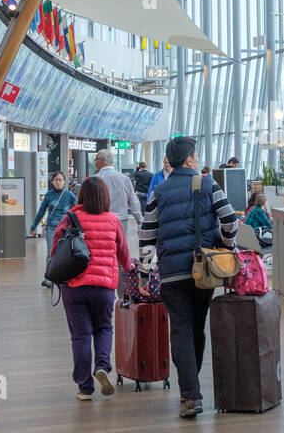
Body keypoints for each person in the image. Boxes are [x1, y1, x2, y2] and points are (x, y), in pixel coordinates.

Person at [137, 137, 239, 418]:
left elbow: (146, 235)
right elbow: (230, 220)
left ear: (170, 160)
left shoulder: (158, 191)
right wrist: (227, 248)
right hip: (203, 271)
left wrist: (145, 273)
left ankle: (190, 394)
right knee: (196, 327)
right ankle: (191, 387)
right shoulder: (208, 184)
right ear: (191, 160)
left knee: (180, 329)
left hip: (170, 273)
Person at [50, 177, 129, 401]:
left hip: (74, 286)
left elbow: (56, 247)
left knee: (80, 335)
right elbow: (124, 253)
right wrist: (130, 268)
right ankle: (102, 366)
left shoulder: (71, 218)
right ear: (105, 197)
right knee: (103, 328)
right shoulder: (113, 220)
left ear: (82, 195)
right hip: (103, 287)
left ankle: (85, 388)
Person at [30, 172, 76, 289]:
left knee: (65, 253)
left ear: (64, 181)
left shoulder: (69, 195)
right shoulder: (49, 195)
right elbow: (41, 211)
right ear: (52, 182)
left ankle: (64, 277)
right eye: (56, 180)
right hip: (51, 228)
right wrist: (33, 226)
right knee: (51, 253)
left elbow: (77, 210)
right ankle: (49, 278)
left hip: (66, 229)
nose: (58, 182)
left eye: (60, 179)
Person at [94, 148, 143, 242]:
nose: (95, 163)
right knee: (121, 251)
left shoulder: (95, 180)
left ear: (102, 161)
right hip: (121, 222)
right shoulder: (125, 179)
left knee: (103, 251)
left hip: (101, 222)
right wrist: (140, 220)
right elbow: (133, 202)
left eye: (96, 160)